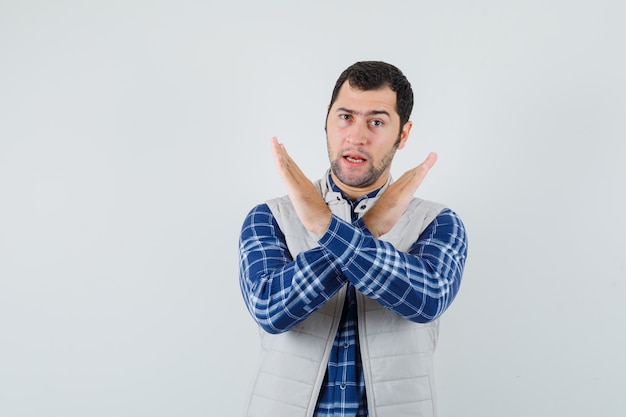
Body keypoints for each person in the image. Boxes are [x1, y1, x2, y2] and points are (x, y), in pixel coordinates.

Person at [238, 61, 468, 417]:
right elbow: (270, 309)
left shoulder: (436, 222)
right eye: (345, 117)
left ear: (402, 135)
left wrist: (325, 228)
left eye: (376, 122)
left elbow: (427, 299)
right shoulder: (270, 217)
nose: (356, 136)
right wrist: (370, 227)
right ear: (327, 121)